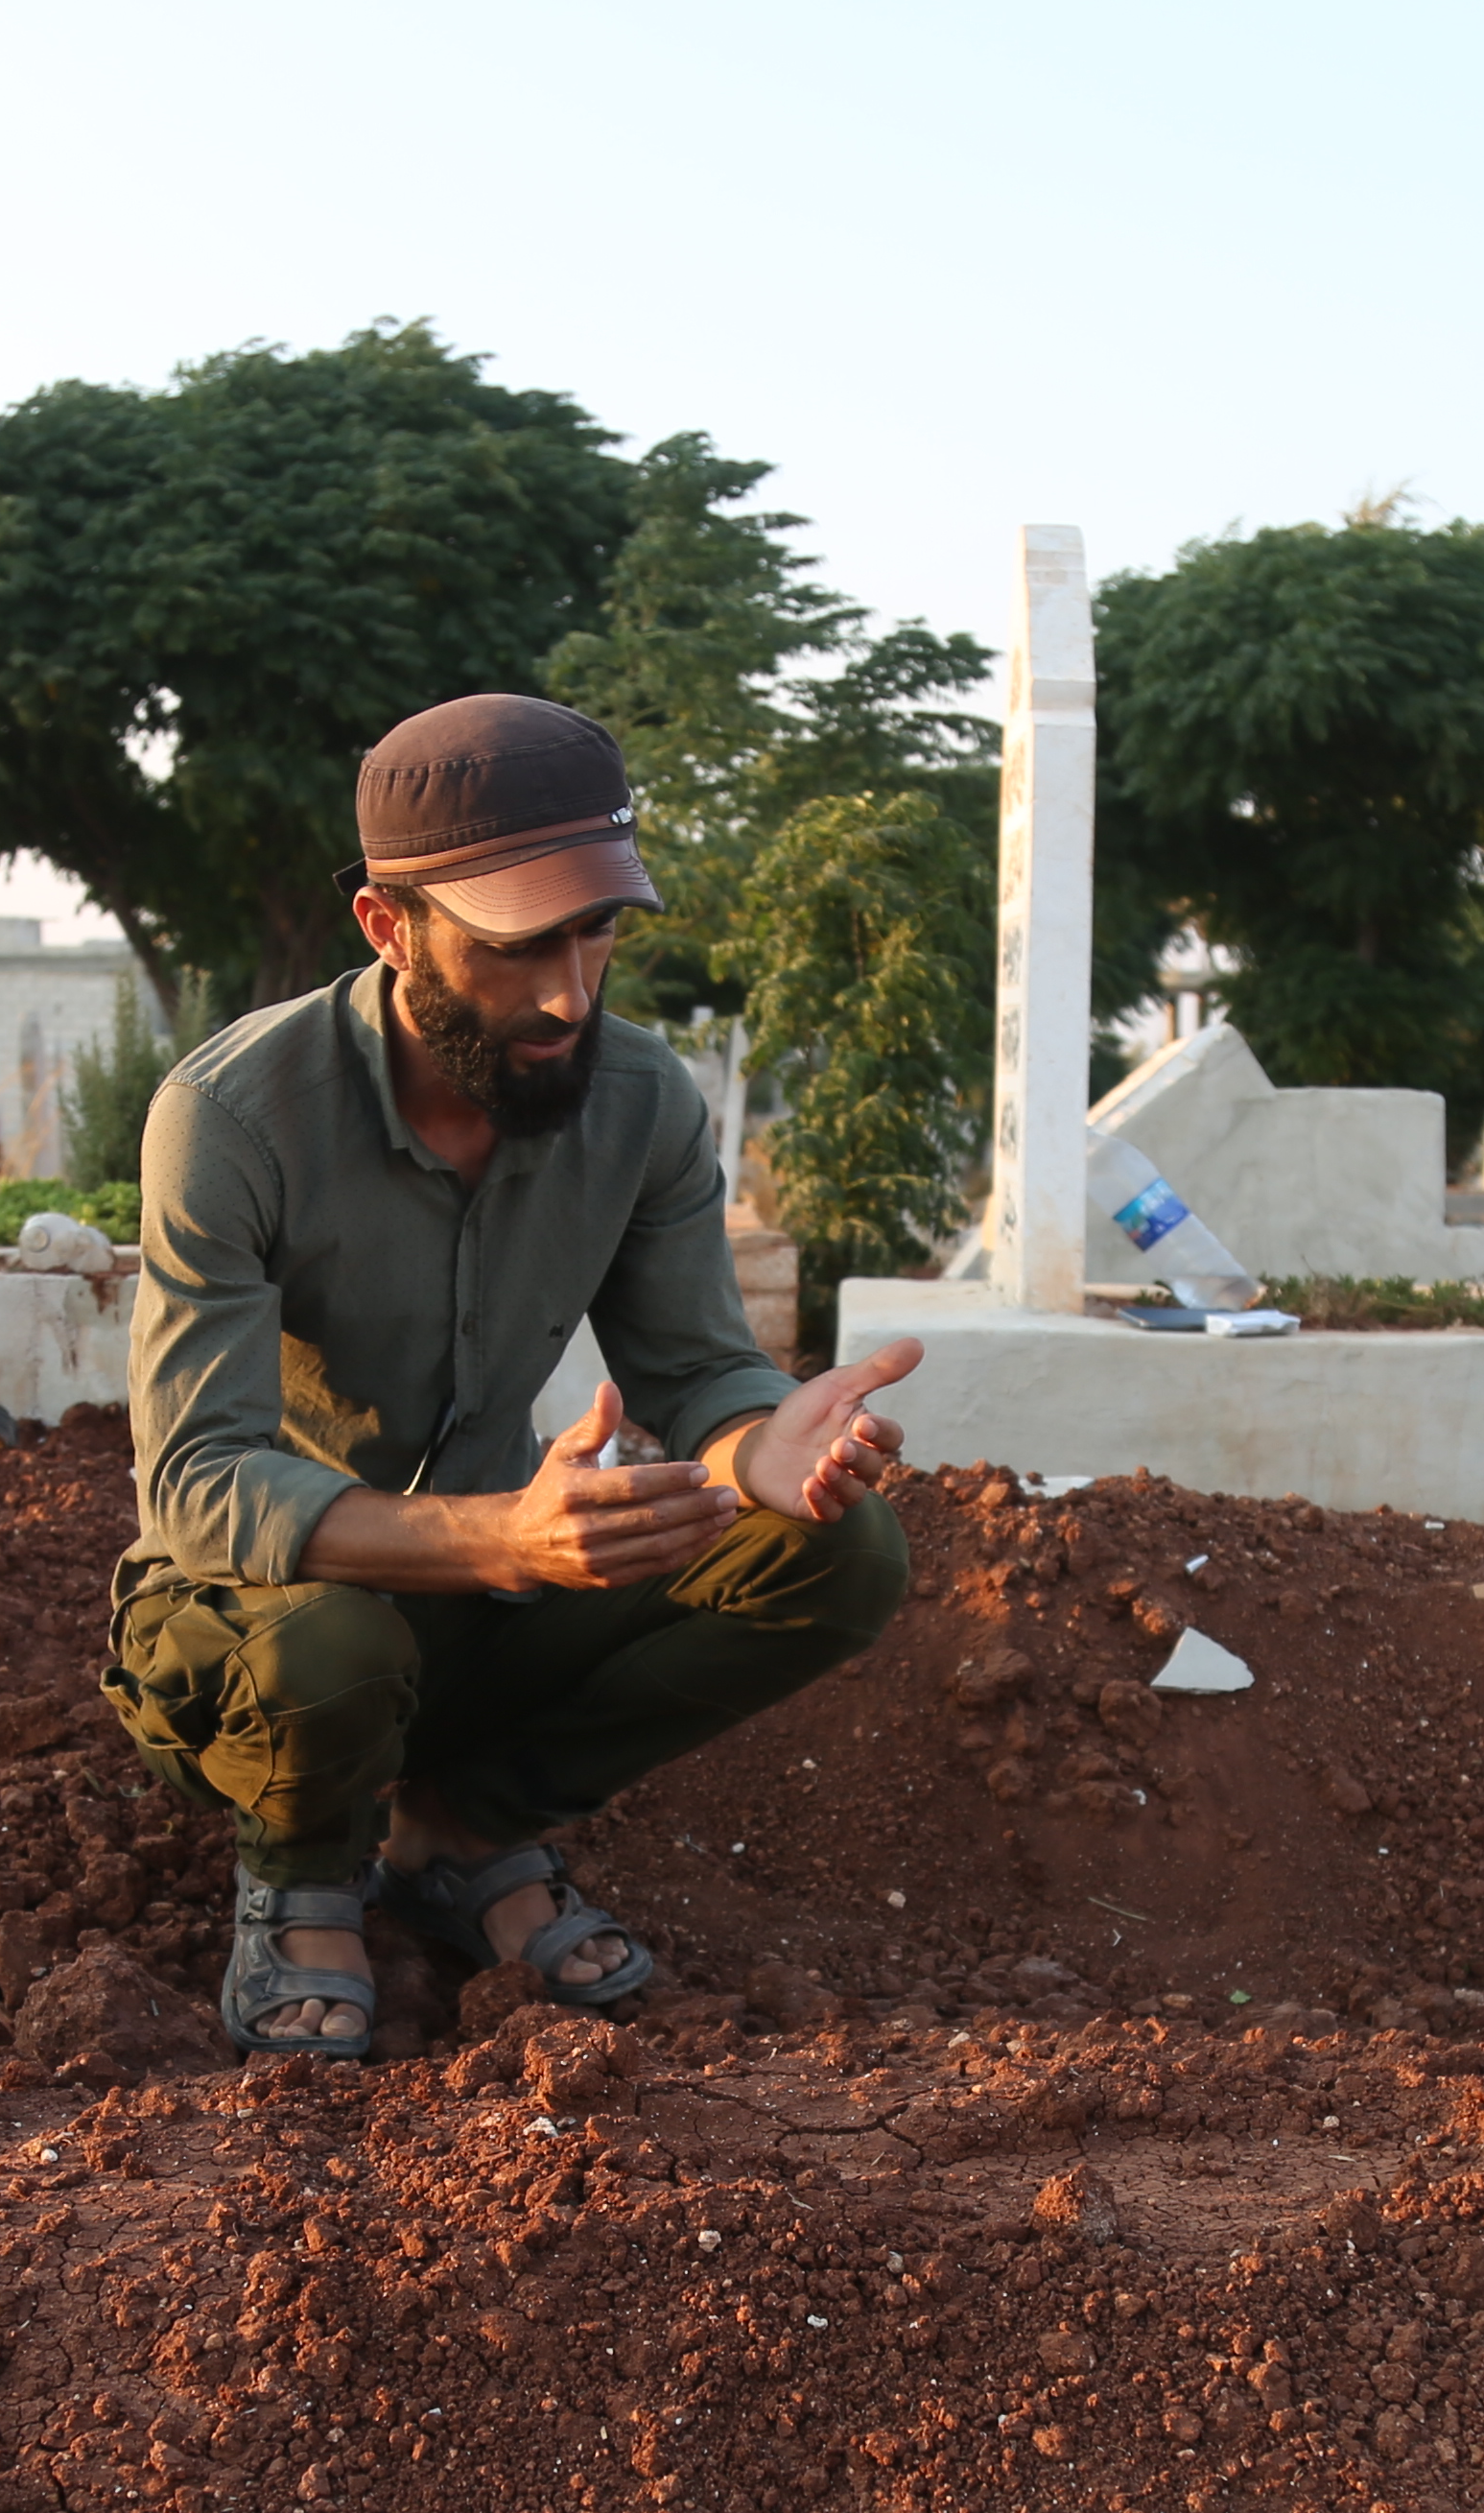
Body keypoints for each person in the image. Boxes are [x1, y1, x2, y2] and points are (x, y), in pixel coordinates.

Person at [103, 692, 926, 2059]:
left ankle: (463, 1829)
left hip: (489, 1611)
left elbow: (700, 1367)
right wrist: (500, 1537)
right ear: (388, 925)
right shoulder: (231, 1118)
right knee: (331, 1638)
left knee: (842, 1556)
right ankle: (303, 1875)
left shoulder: (643, 1103)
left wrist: (752, 1452)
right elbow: (195, 1481)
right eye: (516, 946)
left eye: (597, 929)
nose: (569, 992)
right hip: (252, 1628)